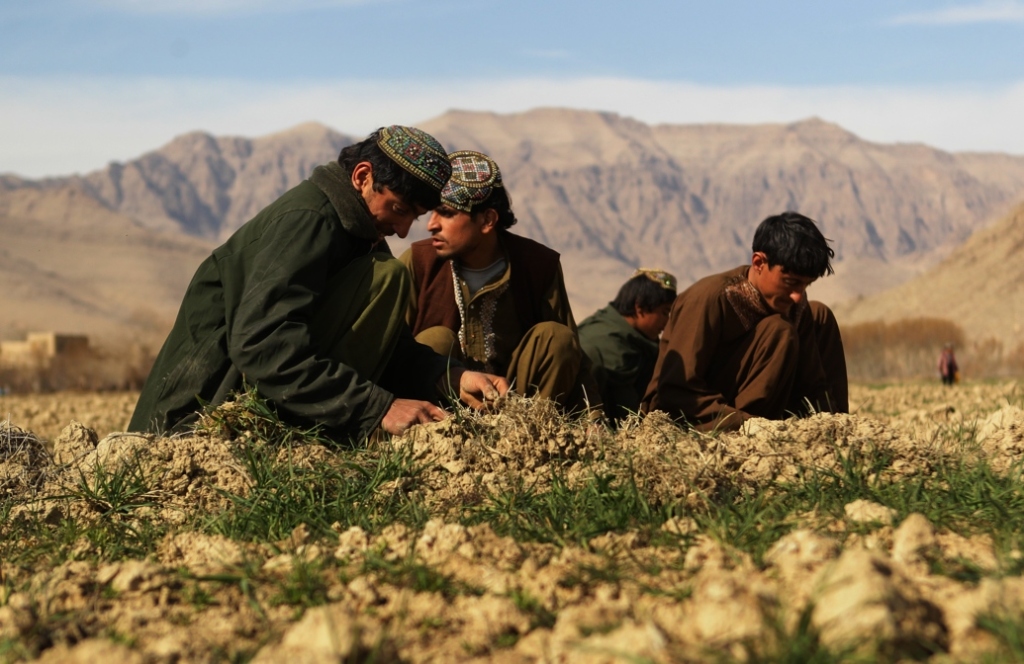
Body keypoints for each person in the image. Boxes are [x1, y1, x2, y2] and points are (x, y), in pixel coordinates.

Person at [129, 126, 508, 441]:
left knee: (386, 276)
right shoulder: (309, 221)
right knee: (389, 276)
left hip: (240, 408)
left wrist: (452, 378)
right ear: (362, 178)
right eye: (398, 209)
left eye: (415, 216)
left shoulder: (356, 234)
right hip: (196, 422)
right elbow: (263, 344)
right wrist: (376, 408)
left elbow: (390, 347)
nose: (404, 230)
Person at [400, 150, 599, 413]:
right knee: (435, 340)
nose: (431, 225)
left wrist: (592, 417)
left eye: (446, 213)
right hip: (441, 412)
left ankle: (531, 435)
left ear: (487, 220)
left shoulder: (538, 265)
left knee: (556, 337)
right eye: (430, 213)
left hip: (516, 406)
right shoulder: (418, 262)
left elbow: (571, 351)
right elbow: (390, 349)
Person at [641, 211, 848, 432]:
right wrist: (747, 424)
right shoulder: (709, 298)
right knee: (779, 330)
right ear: (758, 262)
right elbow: (676, 390)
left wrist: (832, 425)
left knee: (820, 314)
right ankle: (751, 431)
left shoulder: (796, 305)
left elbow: (812, 381)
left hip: (760, 412)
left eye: (806, 285)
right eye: (790, 282)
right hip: (688, 413)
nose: (797, 295)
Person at [578, 268, 677, 423]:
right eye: (664, 312)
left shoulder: (640, 341)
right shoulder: (606, 343)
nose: (667, 322)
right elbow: (627, 411)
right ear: (640, 308)